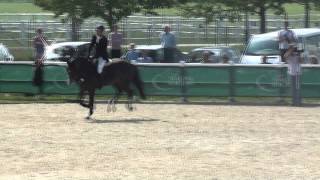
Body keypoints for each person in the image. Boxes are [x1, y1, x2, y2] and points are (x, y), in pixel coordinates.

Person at [283, 32, 302, 106]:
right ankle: (294, 102)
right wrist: (292, 47)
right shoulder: (288, 53)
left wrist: (296, 49)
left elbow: (301, 60)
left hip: (297, 71)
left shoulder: (297, 52)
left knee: (297, 88)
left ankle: (298, 102)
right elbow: (285, 56)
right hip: (292, 72)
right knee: (293, 88)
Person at [32, 28, 48, 94]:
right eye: (38, 32)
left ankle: (40, 86)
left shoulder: (44, 38)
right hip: (38, 54)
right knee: (37, 69)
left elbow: (46, 46)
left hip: (42, 55)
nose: (39, 33)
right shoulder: (35, 38)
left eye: (40, 32)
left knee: (41, 69)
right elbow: (34, 46)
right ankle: (37, 86)